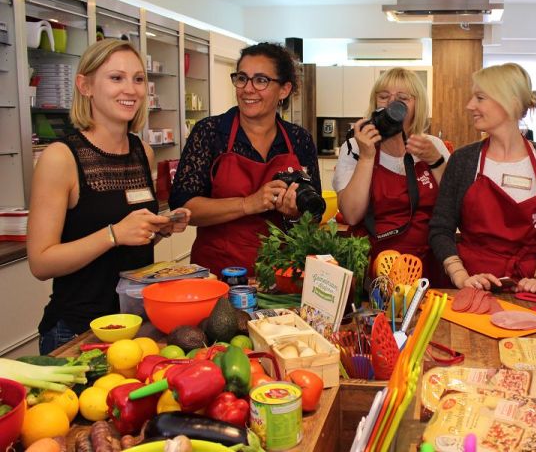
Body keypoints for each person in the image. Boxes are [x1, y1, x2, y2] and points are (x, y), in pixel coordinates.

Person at [27, 39, 191, 354]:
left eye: (138, 79)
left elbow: (129, 241)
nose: (130, 89)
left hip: (137, 322)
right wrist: (114, 234)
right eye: (116, 78)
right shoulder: (60, 158)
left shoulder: (141, 151)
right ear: (85, 85)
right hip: (79, 332)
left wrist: (157, 229)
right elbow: (41, 261)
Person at [169, 43, 319, 279]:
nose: (248, 89)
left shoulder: (299, 140)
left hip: (282, 276)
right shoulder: (210, 132)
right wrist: (248, 203)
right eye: (242, 78)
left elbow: (313, 216)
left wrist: (294, 214)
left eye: (261, 80)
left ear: (284, 89)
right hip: (217, 275)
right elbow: (183, 207)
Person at [429, 63, 536, 292]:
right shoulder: (463, 161)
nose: (469, 105)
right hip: (471, 286)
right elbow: (440, 229)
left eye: (480, 97)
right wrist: (461, 277)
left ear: (510, 102)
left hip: (528, 289)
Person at [334, 67, 451, 285]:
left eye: (402, 98)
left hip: (428, 263)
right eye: (384, 96)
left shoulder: (434, 146)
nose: (391, 104)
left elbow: (454, 207)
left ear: (418, 105)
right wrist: (367, 157)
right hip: (374, 265)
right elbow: (351, 215)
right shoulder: (354, 147)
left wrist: (435, 161)